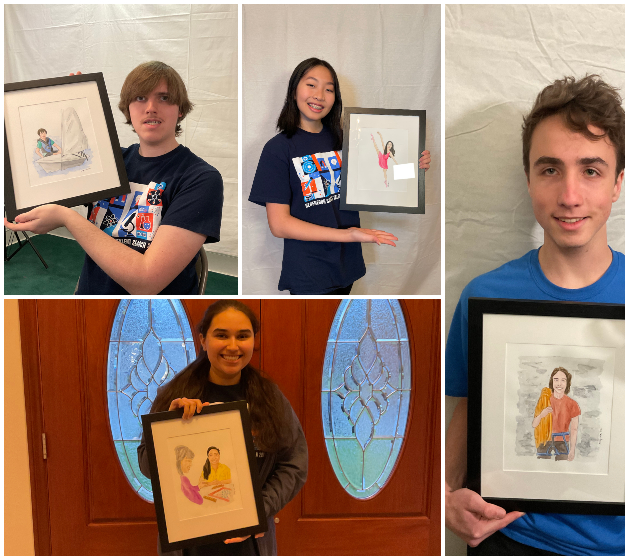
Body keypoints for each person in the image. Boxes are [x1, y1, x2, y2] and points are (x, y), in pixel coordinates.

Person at [445, 75, 625, 555]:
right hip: (507, 537)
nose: (570, 195)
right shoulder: (485, 295)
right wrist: (445, 499)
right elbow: (468, 407)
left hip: (613, 547)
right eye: (550, 169)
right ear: (528, 178)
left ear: (618, 182)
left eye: (592, 170)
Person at [4, 61, 224, 295]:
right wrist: (71, 100)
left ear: (180, 109)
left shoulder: (201, 179)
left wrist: (66, 217)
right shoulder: (109, 161)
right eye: (140, 98)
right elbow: (43, 180)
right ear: (127, 108)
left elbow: (146, 282)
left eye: (164, 98)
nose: (150, 107)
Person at [248, 57, 431, 295]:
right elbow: (279, 225)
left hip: (347, 264)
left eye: (329, 89)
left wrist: (413, 168)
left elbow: (379, 177)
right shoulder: (278, 149)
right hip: (309, 269)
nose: (320, 95)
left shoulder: (348, 140)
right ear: (294, 91)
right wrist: (347, 234)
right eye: (311, 85)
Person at [137, 300, 308, 555]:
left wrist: (259, 510)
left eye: (243, 336)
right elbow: (147, 467)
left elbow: (295, 463)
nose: (232, 346)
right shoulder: (174, 396)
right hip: (189, 545)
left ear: (253, 341)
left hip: (250, 545)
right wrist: (167, 429)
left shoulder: (270, 399)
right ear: (203, 340)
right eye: (221, 335)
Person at [531, 368, 580, 461]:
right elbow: (534, 424)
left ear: (567, 383)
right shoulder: (544, 400)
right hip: (544, 441)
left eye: (563, 380)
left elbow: (574, 429)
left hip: (562, 442)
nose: (559, 384)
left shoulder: (573, 404)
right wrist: (542, 414)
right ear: (551, 381)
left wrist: (572, 450)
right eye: (556, 379)